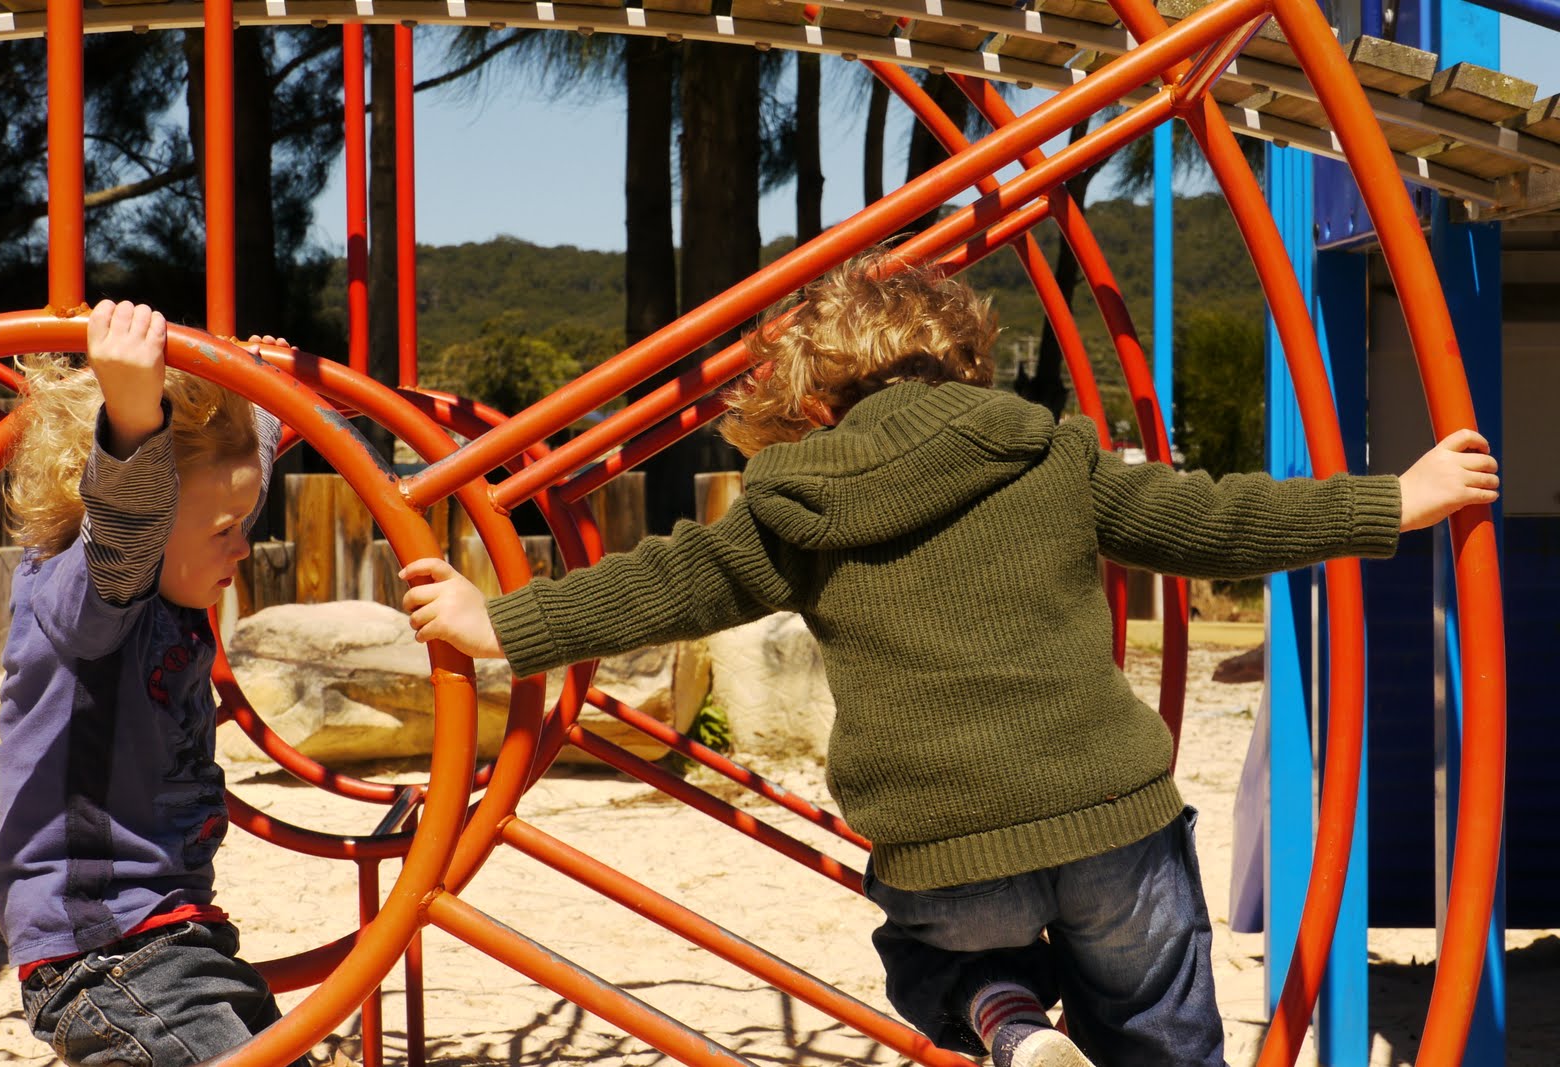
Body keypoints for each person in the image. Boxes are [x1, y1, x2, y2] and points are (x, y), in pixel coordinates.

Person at [397, 253, 1499, 1067]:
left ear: (813, 403)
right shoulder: (1052, 454)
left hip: (944, 845)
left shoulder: (792, 505)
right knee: (1159, 1019)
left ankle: (1003, 1017)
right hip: (1111, 816)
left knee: (932, 961)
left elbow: (657, 586)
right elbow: (1216, 521)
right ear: (968, 363)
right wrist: (1395, 500)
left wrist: (501, 624)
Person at [0, 300, 311, 1067]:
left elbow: (227, 476)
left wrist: (272, 399)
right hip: (106, 951)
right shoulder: (85, 599)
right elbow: (126, 525)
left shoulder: (178, 556)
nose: (244, 546)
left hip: (177, 938)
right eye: (227, 530)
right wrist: (135, 426)